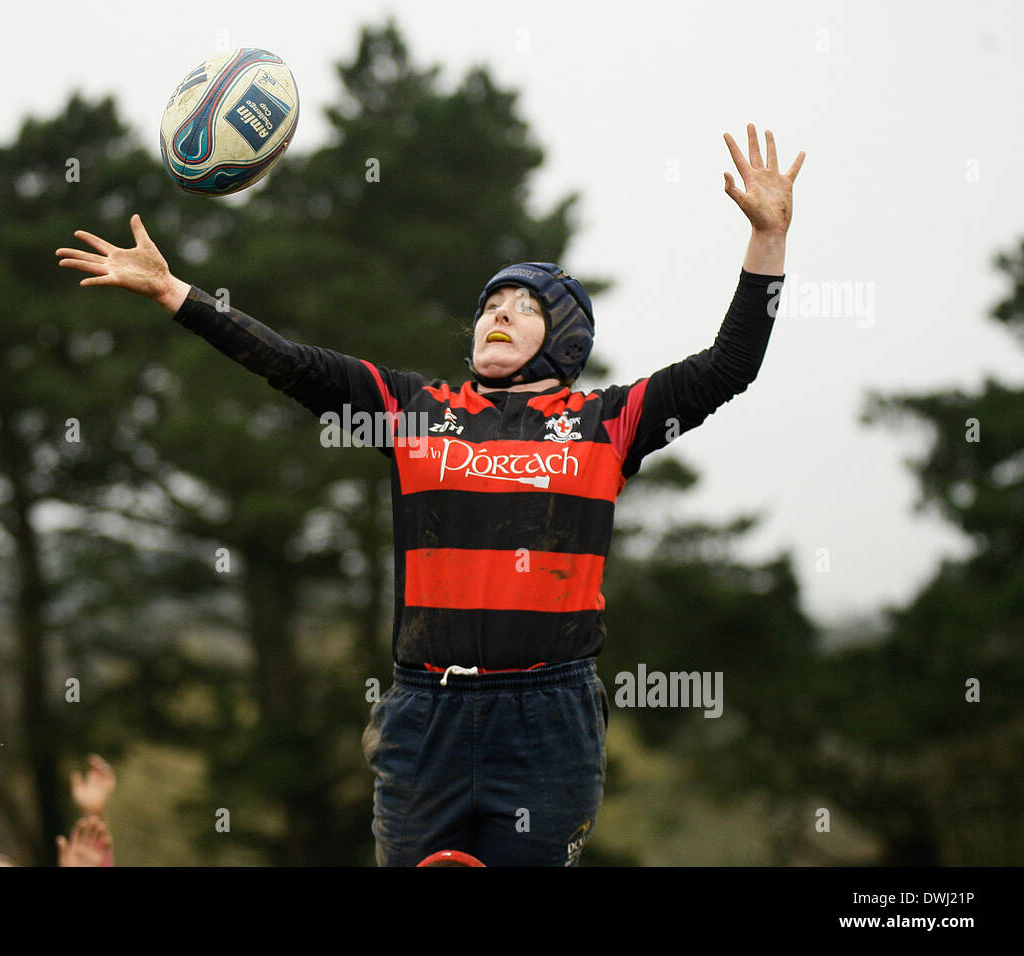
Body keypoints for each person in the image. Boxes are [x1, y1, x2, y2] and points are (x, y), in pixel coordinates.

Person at [56, 123, 804, 866]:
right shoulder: (415, 407)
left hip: (547, 723)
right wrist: (174, 292)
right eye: (489, 304)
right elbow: (291, 363)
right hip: (426, 716)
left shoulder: (607, 422)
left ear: (564, 341)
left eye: (521, 305)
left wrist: (767, 240)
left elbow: (730, 365)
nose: (497, 313)